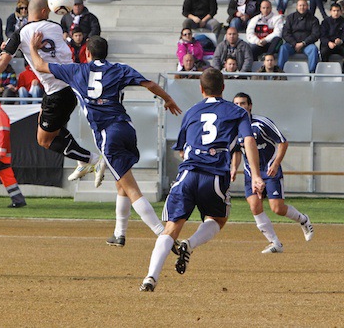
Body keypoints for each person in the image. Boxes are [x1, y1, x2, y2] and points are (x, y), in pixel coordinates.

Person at [28, 34, 182, 247]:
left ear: (87, 53)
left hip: (108, 136)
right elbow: (150, 84)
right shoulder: (120, 68)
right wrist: (168, 99)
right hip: (126, 128)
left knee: (131, 188)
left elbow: (39, 65)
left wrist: (33, 47)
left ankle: (163, 235)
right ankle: (119, 234)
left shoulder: (76, 70)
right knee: (122, 183)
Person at [139, 68, 264, 292]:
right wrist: (255, 175)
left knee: (171, 227)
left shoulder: (192, 112)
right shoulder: (237, 112)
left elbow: (181, 151)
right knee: (218, 219)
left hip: (187, 174)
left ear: (201, 89)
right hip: (214, 176)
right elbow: (248, 141)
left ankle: (150, 276)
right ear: (223, 87)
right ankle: (190, 244)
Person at [0, 0, 103, 185]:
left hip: (58, 91)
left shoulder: (22, 33)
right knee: (49, 127)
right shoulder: (56, 27)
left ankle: (92, 159)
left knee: (44, 140)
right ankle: (82, 160)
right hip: (69, 87)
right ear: (44, 12)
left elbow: (3, 60)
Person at [231, 92, 313, 254]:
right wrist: (234, 167)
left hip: (269, 169)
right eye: (236, 104)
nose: (240, 107)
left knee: (277, 208)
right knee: (255, 206)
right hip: (250, 173)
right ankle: (275, 243)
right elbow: (237, 151)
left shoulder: (262, 123)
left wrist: (276, 164)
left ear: (250, 106)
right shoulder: (234, 128)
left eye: (243, 103)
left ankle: (303, 220)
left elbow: (283, 142)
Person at [278, 0, 320, 73]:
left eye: (304, 5)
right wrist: (294, 44)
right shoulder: (290, 18)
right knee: (283, 48)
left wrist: (303, 43)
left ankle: (312, 73)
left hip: (307, 45)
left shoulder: (313, 19)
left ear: (307, 6)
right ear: (297, 7)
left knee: (314, 49)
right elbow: (285, 33)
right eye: (300, 5)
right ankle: (279, 72)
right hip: (291, 45)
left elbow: (315, 34)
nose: (302, 7)